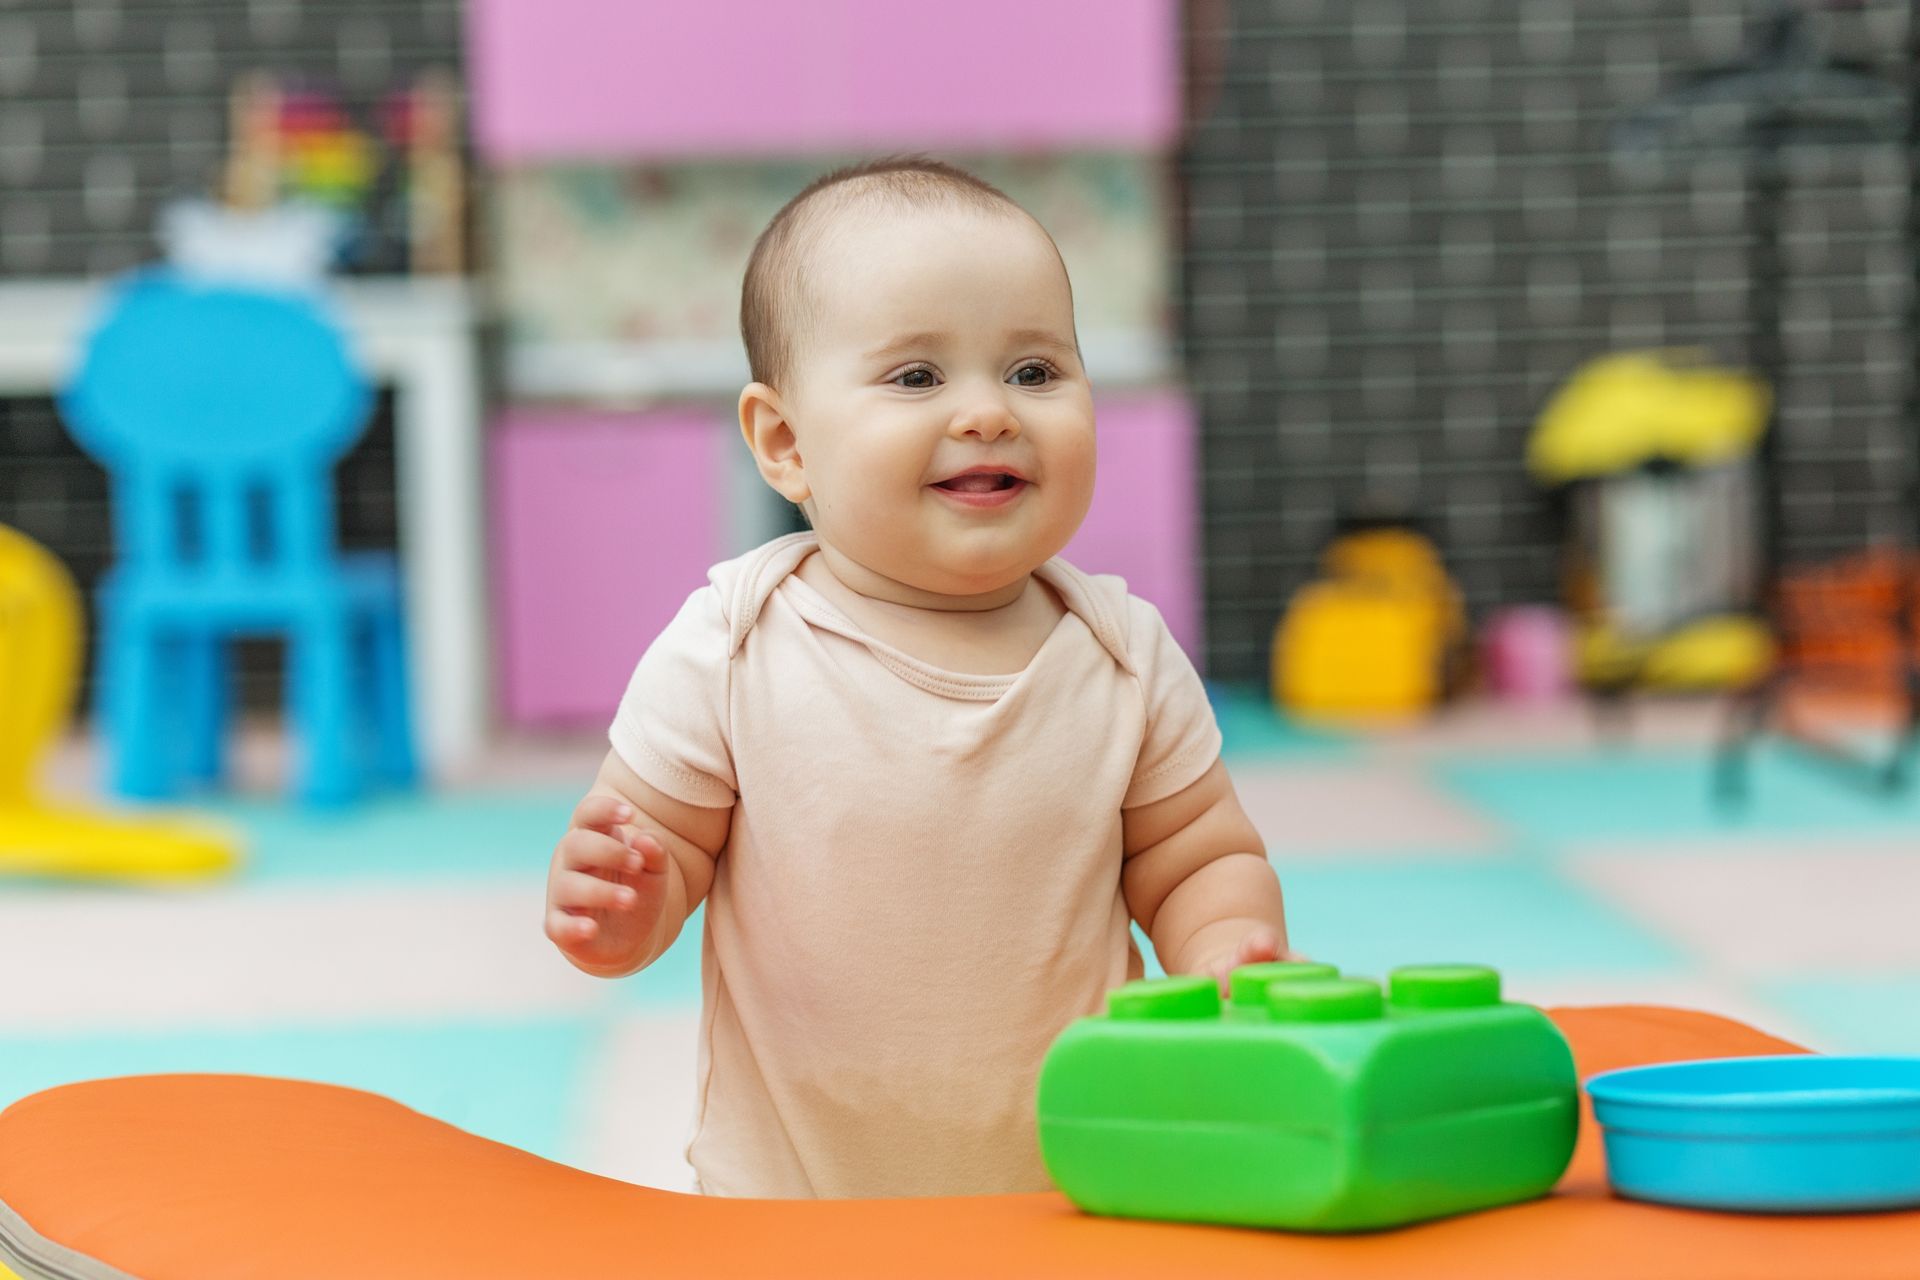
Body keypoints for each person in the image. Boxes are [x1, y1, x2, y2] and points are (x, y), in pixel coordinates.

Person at [543, 157, 1291, 1198]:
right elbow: (657, 850)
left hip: (1081, 1184)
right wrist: (620, 902)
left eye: (1034, 372)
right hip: (798, 1204)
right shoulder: (732, 643)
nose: (989, 412)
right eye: (917, 377)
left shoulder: (1120, 650)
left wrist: (1225, 951)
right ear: (785, 442)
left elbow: (1197, 855)